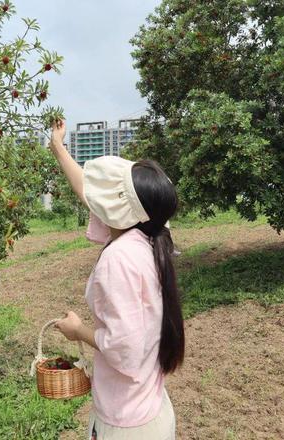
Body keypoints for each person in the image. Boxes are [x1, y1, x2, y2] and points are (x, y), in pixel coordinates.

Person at [48, 120, 184, 440]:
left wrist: (77, 330)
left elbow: (125, 346)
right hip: (150, 409)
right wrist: (58, 147)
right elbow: (91, 194)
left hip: (126, 426)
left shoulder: (118, 259)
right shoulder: (153, 235)